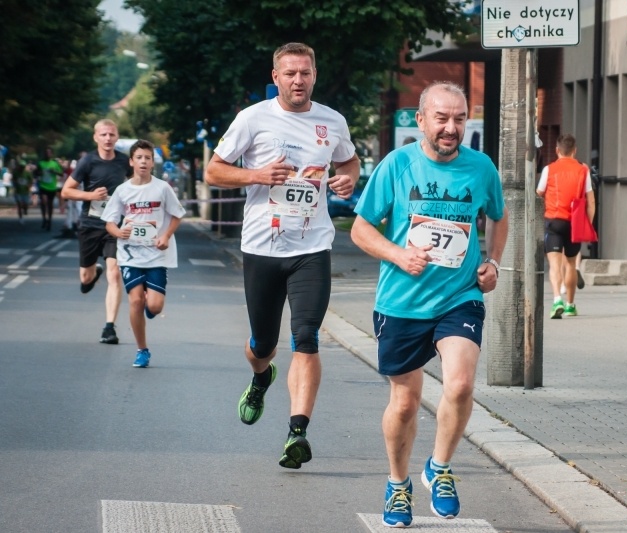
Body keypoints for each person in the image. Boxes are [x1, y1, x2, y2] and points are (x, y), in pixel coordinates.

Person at [350, 81, 509, 528]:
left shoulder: (481, 167)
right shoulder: (397, 165)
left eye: (459, 118)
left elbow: (498, 216)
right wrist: (399, 255)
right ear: (421, 120)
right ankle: (397, 483)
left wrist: (493, 261)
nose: (451, 128)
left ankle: (439, 468)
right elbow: (360, 229)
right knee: (405, 403)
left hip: (460, 296)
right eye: (441, 118)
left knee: (460, 384)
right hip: (402, 301)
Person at [205, 42, 360, 469]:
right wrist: (255, 174)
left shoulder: (332, 121)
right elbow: (213, 170)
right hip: (262, 247)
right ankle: (261, 377)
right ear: (276, 78)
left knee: (306, 337)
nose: (298, 80)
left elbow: (349, 162)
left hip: (312, 247)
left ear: (314, 75)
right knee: (263, 344)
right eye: (290, 73)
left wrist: (347, 180)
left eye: (305, 73)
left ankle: (297, 432)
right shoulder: (252, 118)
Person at [102, 140, 185, 368]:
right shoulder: (123, 190)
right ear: (131, 161)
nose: (143, 162)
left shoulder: (162, 188)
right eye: (139, 157)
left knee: (155, 307)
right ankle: (142, 350)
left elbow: (177, 214)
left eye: (147, 158)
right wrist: (119, 232)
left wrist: (166, 236)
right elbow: (109, 222)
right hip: (130, 254)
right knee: (136, 300)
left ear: (152, 162)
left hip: (157, 255)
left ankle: (151, 307)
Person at [62, 119, 132, 344]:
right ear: (96, 137)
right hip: (90, 224)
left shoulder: (124, 161)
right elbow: (66, 191)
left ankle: (109, 328)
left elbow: (137, 184)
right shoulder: (87, 161)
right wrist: (90, 195)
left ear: (117, 136)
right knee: (85, 278)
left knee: (115, 274)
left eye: (111, 134)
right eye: (103, 134)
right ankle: (93, 274)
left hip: (115, 225)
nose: (108, 138)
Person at [536, 134, 595, 318]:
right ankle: (570, 305)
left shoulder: (549, 169)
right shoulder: (583, 170)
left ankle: (556, 300)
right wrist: (586, 224)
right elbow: (591, 202)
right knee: (570, 263)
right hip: (574, 223)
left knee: (554, 264)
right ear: (574, 151)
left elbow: (539, 193)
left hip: (553, 221)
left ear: (557, 150)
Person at [35, 148, 62, 231]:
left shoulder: (55, 163)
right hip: (43, 186)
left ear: (51, 154)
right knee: (43, 202)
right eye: (46, 153)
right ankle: (44, 218)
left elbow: (61, 173)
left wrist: (54, 172)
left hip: (52, 187)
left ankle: (49, 220)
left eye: (49, 153)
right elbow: (35, 173)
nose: (48, 154)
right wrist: (40, 173)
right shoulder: (41, 163)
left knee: (50, 204)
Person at [10, 158, 32, 224]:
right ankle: (20, 218)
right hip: (18, 191)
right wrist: (15, 183)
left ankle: (25, 209)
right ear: (19, 166)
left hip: (25, 192)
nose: (22, 168)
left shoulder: (27, 173)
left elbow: (31, 181)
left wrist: (29, 186)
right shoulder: (15, 173)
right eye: (21, 166)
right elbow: (13, 180)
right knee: (19, 204)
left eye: (23, 166)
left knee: (25, 204)